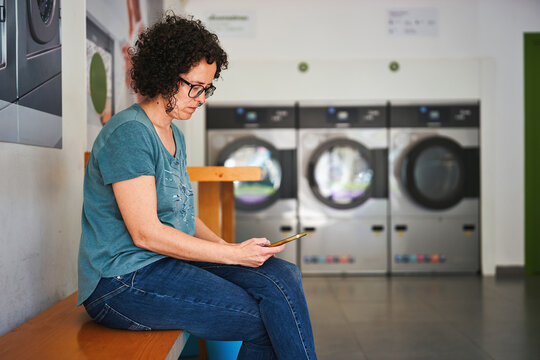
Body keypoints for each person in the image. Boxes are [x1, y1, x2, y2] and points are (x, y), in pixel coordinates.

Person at [78, 13, 317, 360]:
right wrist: (233, 256)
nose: (201, 98)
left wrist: (230, 250)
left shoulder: (173, 133)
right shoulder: (129, 133)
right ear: (163, 75)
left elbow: (182, 215)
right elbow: (146, 234)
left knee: (282, 275)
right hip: (120, 283)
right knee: (260, 318)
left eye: (207, 88)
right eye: (195, 86)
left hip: (161, 262)